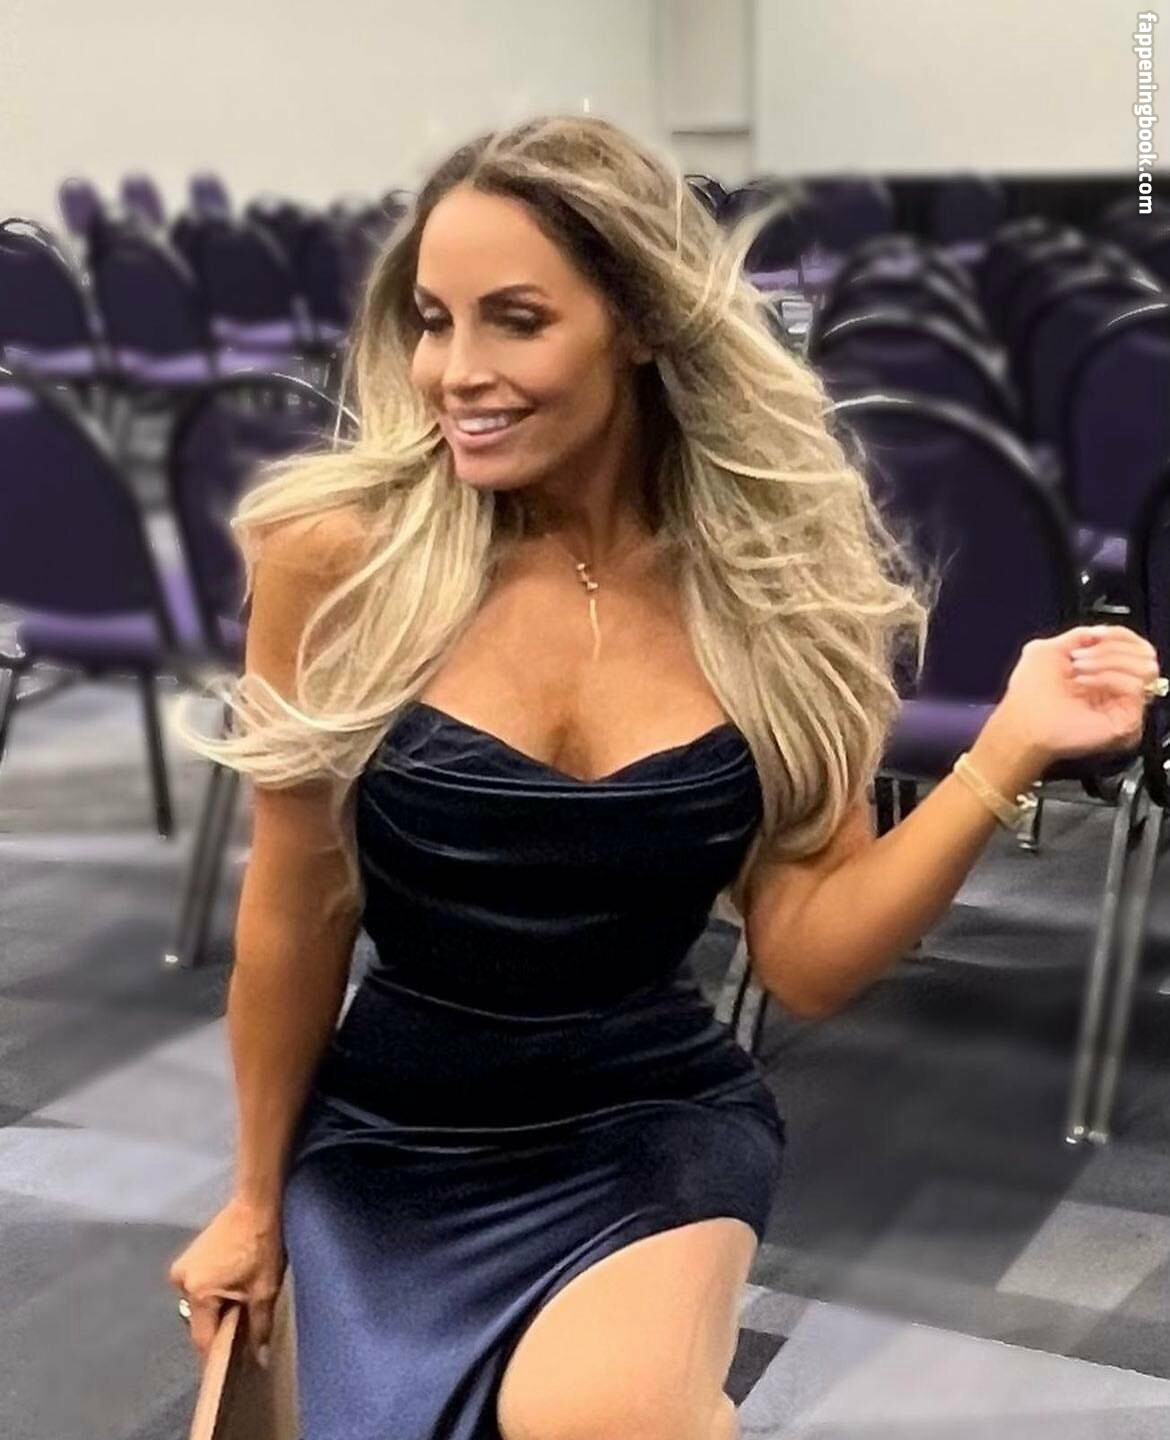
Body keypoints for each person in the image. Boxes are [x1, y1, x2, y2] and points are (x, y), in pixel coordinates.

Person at [165, 115, 1163, 1440]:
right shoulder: (337, 555)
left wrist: (1005, 746)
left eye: (517, 320)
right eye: (433, 321)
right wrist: (251, 1198)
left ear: (637, 321)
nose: (455, 371)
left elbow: (805, 958)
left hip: (646, 1121)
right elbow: (295, 905)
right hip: (391, 1131)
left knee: (609, 1419)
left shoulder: (770, 585)